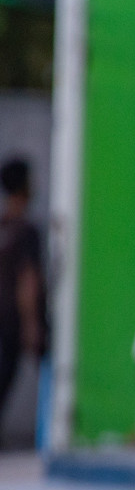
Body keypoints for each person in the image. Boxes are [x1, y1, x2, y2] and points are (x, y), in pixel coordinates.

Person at [0, 157, 47, 432]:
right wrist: (32, 326)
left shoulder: (4, 226)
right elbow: (28, 280)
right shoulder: (26, 231)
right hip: (12, 324)